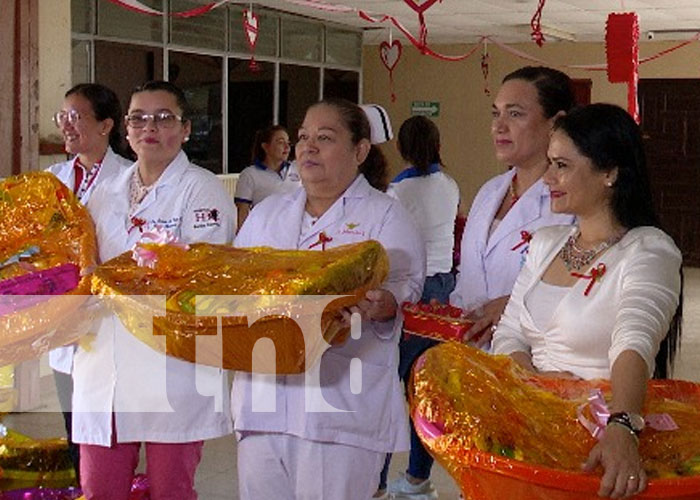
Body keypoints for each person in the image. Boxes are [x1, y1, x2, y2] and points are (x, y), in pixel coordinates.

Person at [231, 98, 426, 500]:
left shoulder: (386, 217)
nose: (307, 147)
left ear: (359, 151)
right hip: (262, 401)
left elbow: (406, 290)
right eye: (303, 137)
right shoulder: (268, 213)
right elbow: (237, 284)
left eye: (325, 138)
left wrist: (384, 304)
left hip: (342, 408)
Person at [492, 103, 682, 499]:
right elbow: (508, 334)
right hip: (531, 428)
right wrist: (541, 385)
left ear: (609, 171)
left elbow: (635, 342)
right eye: (548, 164)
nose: (546, 179)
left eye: (561, 165)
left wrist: (623, 425)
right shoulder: (546, 244)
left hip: (599, 438)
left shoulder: (647, 249)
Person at [72, 81, 236, 500]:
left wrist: (110, 278)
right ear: (125, 129)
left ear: (185, 130)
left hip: (171, 366)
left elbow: (200, 274)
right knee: (99, 489)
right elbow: (81, 264)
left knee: (170, 490)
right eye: (139, 118)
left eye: (164, 118)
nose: (150, 127)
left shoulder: (202, 191)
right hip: (104, 362)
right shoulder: (101, 192)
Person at [450, 66, 577, 350]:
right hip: (472, 359)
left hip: (536, 361)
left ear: (555, 124)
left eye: (515, 113)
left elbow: (589, 295)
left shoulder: (573, 201)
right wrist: (451, 313)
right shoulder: (489, 192)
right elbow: (469, 279)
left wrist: (513, 305)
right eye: (496, 113)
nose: (499, 126)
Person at [46, 82, 132, 483]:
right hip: (63, 324)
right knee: (74, 430)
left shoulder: (130, 178)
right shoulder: (53, 178)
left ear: (106, 125)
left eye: (76, 117)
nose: (66, 125)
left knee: (109, 433)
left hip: (107, 322)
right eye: (62, 116)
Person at [377, 116, 459, 500]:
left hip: (409, 292)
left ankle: (375, 479)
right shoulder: (449, 185)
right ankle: (416, 479)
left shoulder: (396, 194)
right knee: (423, 389)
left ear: (402, 148)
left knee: (386, 387)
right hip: (442, 291)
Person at [234, 124, 300, 229]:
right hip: (265, 233)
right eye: (280, 142)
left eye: (288, 143)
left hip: (295, 231)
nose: (287, 147)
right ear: (265, 146)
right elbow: (242, 212)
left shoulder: (298, 168)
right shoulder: (250, 175)